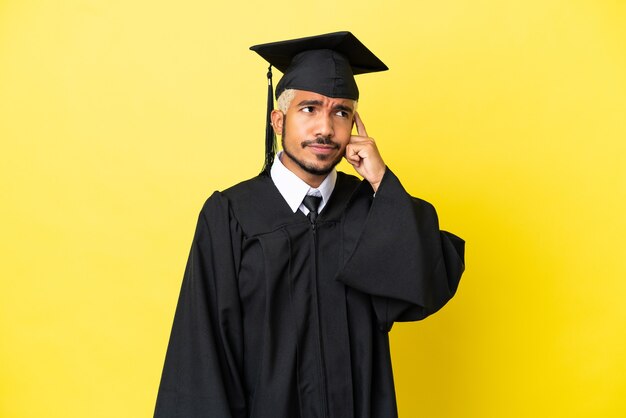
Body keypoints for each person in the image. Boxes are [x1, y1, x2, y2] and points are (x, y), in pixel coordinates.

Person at [154, 31, 465, 418]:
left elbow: (431, 281)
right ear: (278, 120)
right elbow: (200, 353)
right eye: (310, 109)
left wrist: (382, 182)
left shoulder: (369, 210)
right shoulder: (231, 215)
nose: (326, 128)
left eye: (341, 112)